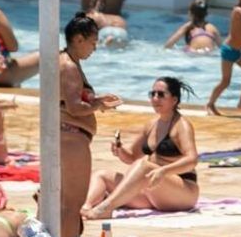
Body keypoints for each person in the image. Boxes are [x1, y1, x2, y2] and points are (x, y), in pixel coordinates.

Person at [84, 76, 199, 219]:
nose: (155, 98)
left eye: (161, 94)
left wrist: (163, 171)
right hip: (154, 191)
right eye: (153, 94)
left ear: (174, 100)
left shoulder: (181, 125)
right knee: (101, 175)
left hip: (182, 192)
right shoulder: (151, 125)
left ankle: (106, 208)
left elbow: (192, 159)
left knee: (144, 166)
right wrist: (120, 150)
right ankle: (85, 208)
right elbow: (131, 156)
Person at [57, 12, 117, 237]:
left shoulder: (65, 61)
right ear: (79, 39)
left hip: (66, 136)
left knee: (64, 202)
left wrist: (96, 100)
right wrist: (98, 104)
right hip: (72, 137)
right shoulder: (70, 66)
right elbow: (74, 107)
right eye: (93, 42)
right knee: (73, 204)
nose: (94, 48)